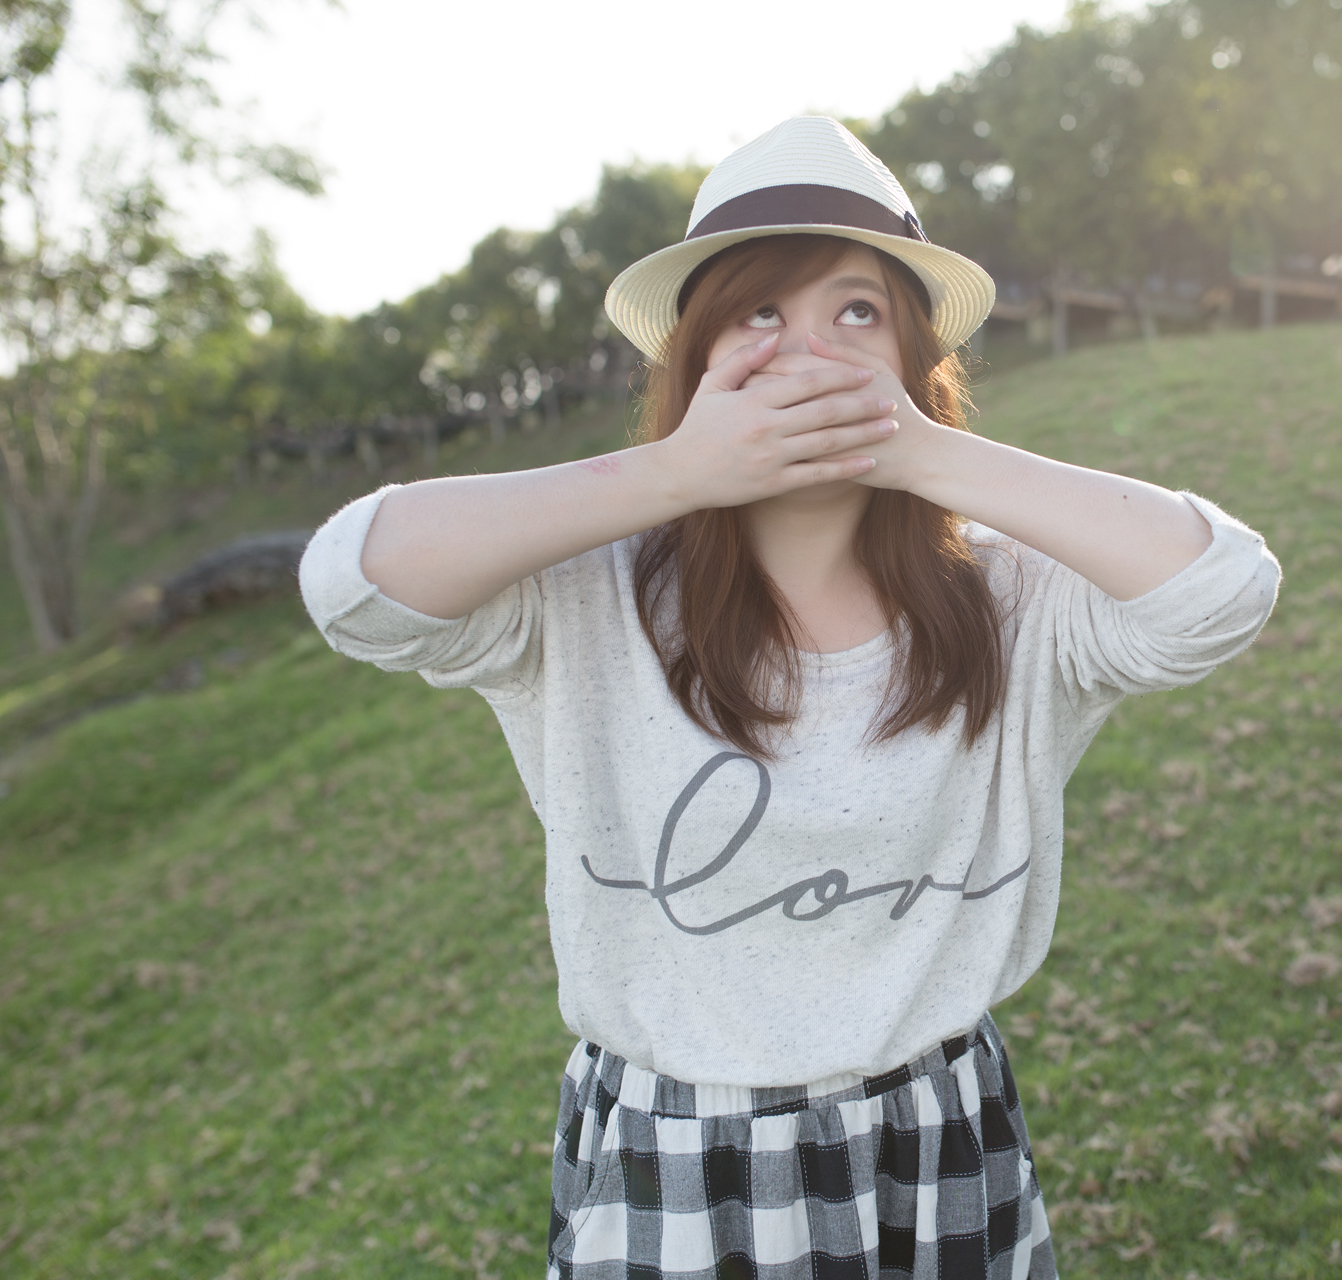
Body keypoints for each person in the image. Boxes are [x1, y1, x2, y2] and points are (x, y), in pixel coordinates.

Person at [299, 116, 1279, 1280]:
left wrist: (924, 453)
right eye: (759, 310)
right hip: (676, 1142)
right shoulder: (584, 593)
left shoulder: (1013, 600)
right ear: (698, 356)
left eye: (856, 312)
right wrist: (677, 472)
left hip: (936, 1125)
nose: (809, 349)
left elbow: (1224, 590)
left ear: (913, 355)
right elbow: (352, 582)